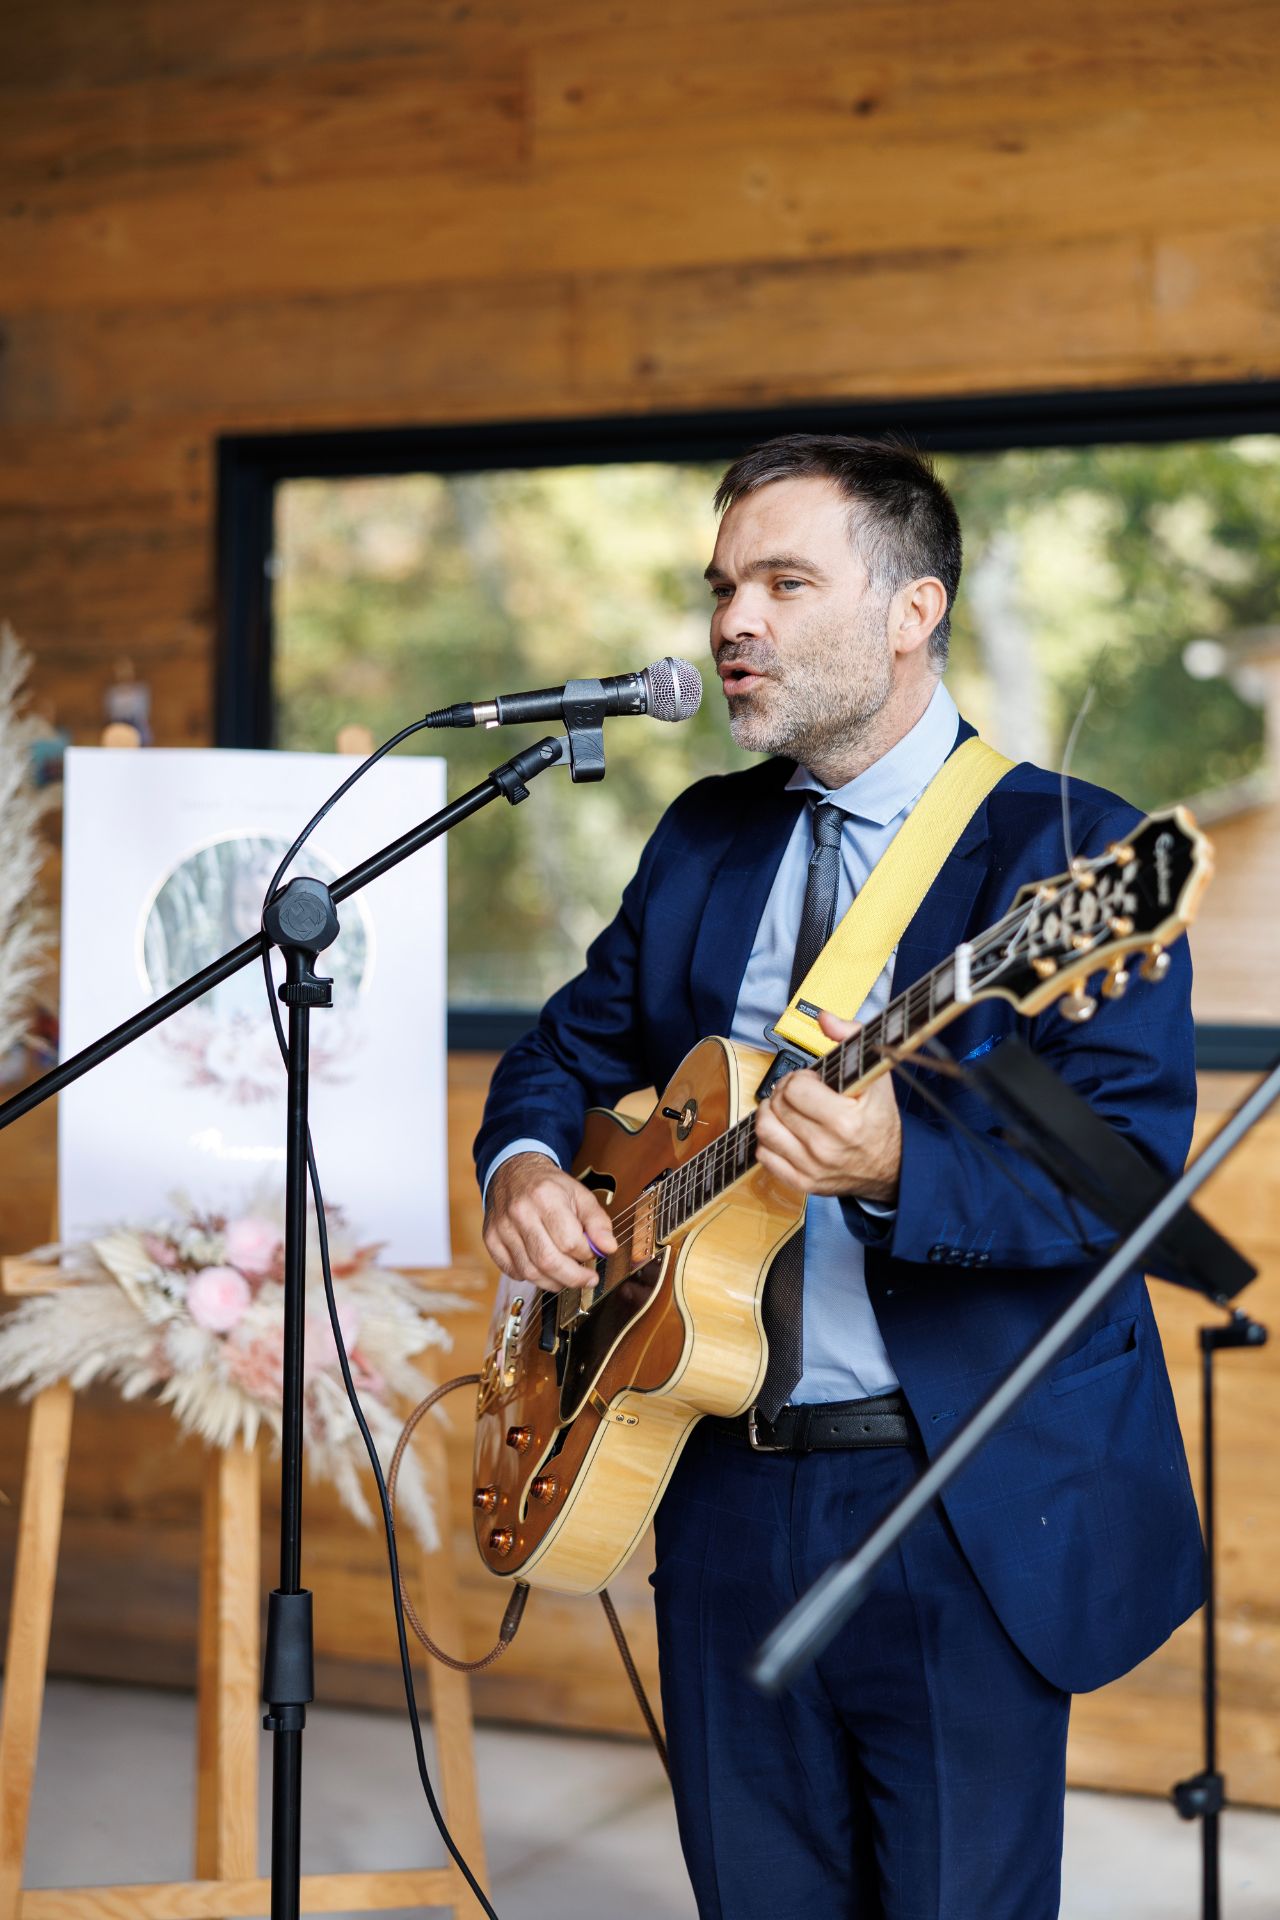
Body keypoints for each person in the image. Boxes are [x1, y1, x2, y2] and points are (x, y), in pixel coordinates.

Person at [475, 435, 1202, 1920]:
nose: (732, 622)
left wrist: (897, 1163)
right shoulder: (705, 836)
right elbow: (561, 1050)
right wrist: (528, 1170)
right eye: (722, 588)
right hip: (715, 1479)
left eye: (784, 583)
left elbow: (1124, 1179)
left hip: (955, 1495)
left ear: (913, 609)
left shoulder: (1069, 852)